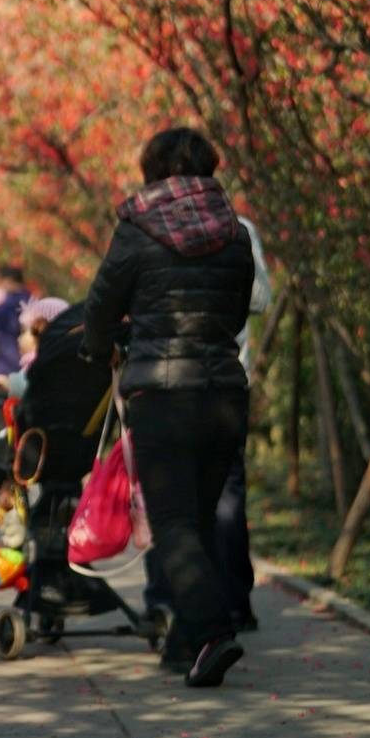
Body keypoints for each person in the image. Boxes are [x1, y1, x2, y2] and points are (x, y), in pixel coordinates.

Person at [83, 126, 253, 689]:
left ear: (152, 170)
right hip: (225, 390)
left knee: (173, 521)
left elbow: (102, 304)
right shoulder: (235, 232)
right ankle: (186, 645)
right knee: (198, 518)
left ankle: (213, 632)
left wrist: (98, 346)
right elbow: (235, 313)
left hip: (161, 393)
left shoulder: (137, 229)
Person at [141, 214, 272, 635]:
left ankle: (172, 602)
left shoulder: (150, 224)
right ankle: (230, 605)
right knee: (224, 497)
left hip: (167, 385)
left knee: (170, 500)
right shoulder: (239, 229)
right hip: (226, 381)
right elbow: (260, 298)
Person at [0, 266, 31, 382]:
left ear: (8, 281)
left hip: (7, 358)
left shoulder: (8, 304)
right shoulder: (30, 300)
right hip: (23, 357)